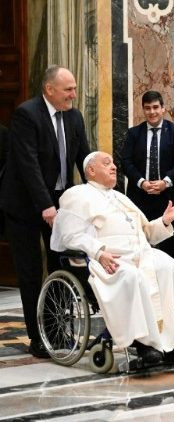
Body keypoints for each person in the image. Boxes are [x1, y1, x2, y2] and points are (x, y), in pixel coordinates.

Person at [51, 151, 174, 364]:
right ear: (91, 170)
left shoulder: (121, 197)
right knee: (132, 277)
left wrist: (165, 221)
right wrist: (99, 252)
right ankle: (144, 346)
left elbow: (148, 233)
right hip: (107, 259)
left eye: (113, 163)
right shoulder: (76, 195)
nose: (114, 167)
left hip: (141, 254)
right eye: (106, 163)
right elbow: (70, 235)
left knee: (169, 266)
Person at [0, 65, 90, 358]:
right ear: (49, 90)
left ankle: (57, 331)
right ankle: (37, 337)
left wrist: (98, 194)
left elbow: (84, 159)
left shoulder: (74, 116)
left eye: (74, 88)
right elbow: (28, 165)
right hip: (25, 206)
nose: (73, 94)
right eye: (68, 89)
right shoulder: (27, 115)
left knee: (61, 266)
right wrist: (45, 205)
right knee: (30, 273)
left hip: (60, 204)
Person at [121, 91, 174, 259]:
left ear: (163, 108)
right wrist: (142, 182)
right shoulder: (133, 133)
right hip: (140, 197)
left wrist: (166, 182)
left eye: (156, 107)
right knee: (140, 243)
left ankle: (169, 276)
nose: (152, 112)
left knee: (168, 245)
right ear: (143, 109)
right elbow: (126, 162)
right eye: (147, 108)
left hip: (168, 198)